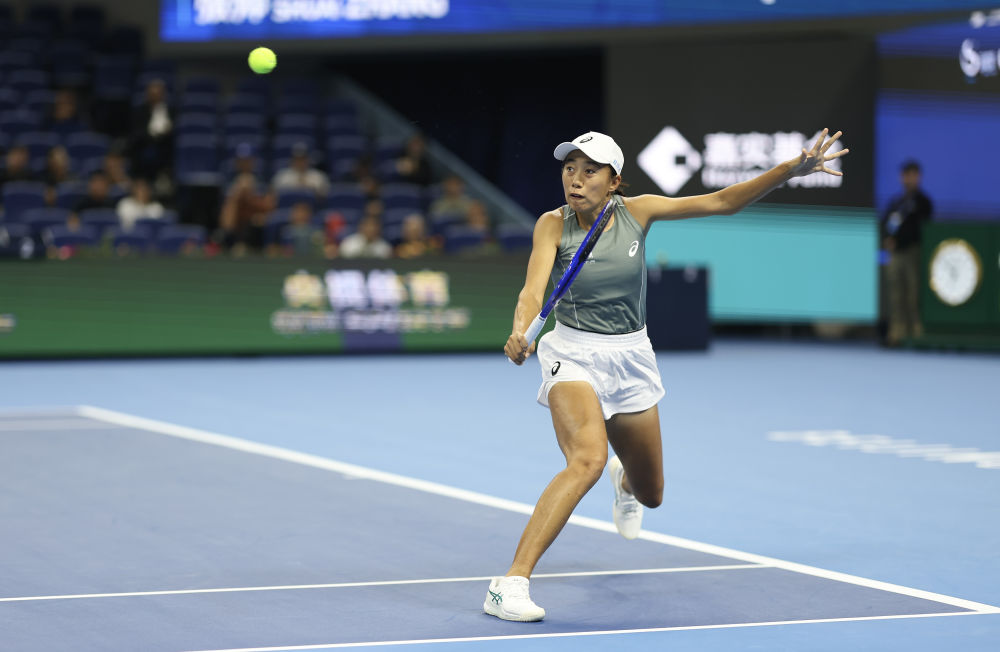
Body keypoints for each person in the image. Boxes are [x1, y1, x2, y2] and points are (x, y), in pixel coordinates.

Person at [486, 129, 848, 622]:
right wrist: (520, 329)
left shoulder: (639, 212)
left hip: (630, 355)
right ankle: (510, 584)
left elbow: (722, 202)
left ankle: (625, 482)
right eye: (570, 169)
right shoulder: (552, 224)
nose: (575, 179)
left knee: (651, 494)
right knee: (586, 460)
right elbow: (532, 291)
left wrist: (789, 170)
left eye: (590, 171)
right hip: (572, 352)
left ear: (614, 181)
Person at [880, 160, 933, 346]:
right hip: (895, 254)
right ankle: (896, 333)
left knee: (913, 294)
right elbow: (887, 224)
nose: (909, 179)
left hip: (913, 252)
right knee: (896, 294)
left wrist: (901, 240)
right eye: (906, 175)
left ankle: (916, 332)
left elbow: (921, 229)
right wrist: (888, 239)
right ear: (901, 177)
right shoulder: (897, 202)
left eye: (913, 175)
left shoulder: (924, 202)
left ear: (918, 177)